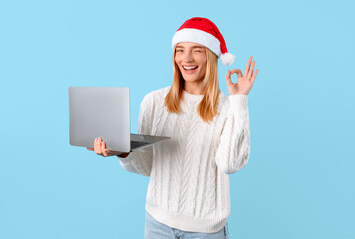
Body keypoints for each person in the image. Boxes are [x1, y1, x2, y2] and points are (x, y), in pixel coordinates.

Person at [87, 17, 258, 239]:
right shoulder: (154, 102)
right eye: (180, 50)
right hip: (158, 224)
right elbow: (147, 166)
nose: (186, 58)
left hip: (205, 230)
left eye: (197, 50)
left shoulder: (227, 108)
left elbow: (230, 163)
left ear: (211, 56)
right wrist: (122, 151)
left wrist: (239, 101)